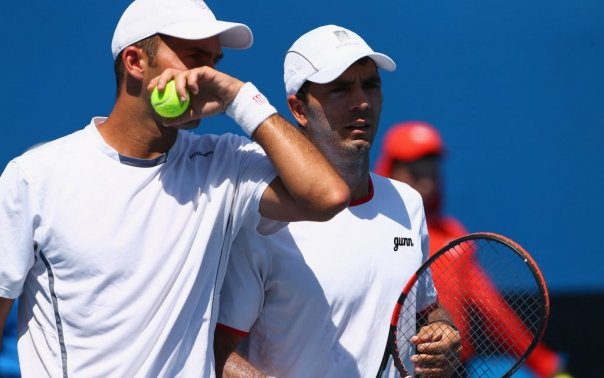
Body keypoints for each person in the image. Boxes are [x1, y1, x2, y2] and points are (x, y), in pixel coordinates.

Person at [0, 0, 351, 376]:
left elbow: (327, 196)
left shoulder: (225, 164)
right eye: (195, 57)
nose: (207, 74)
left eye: (214, 62)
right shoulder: (35, 176)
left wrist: (239, 100)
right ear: (135, 62)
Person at [214, 25, 461, 378]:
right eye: (341, 89)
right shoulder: (263, 218)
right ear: (299, 108)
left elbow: (426, 309)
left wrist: (444, 333)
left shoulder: (408, 203)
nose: (361, 102)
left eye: (370, 85)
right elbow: (215, 350)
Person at [374, 121, 566, 378]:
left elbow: (493, 310)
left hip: (452, 370)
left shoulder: (454, 236)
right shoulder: (371, 231)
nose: (427, 182)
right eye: (415, 172)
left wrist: (544, 365)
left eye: (432, 172)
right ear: (390, 171)